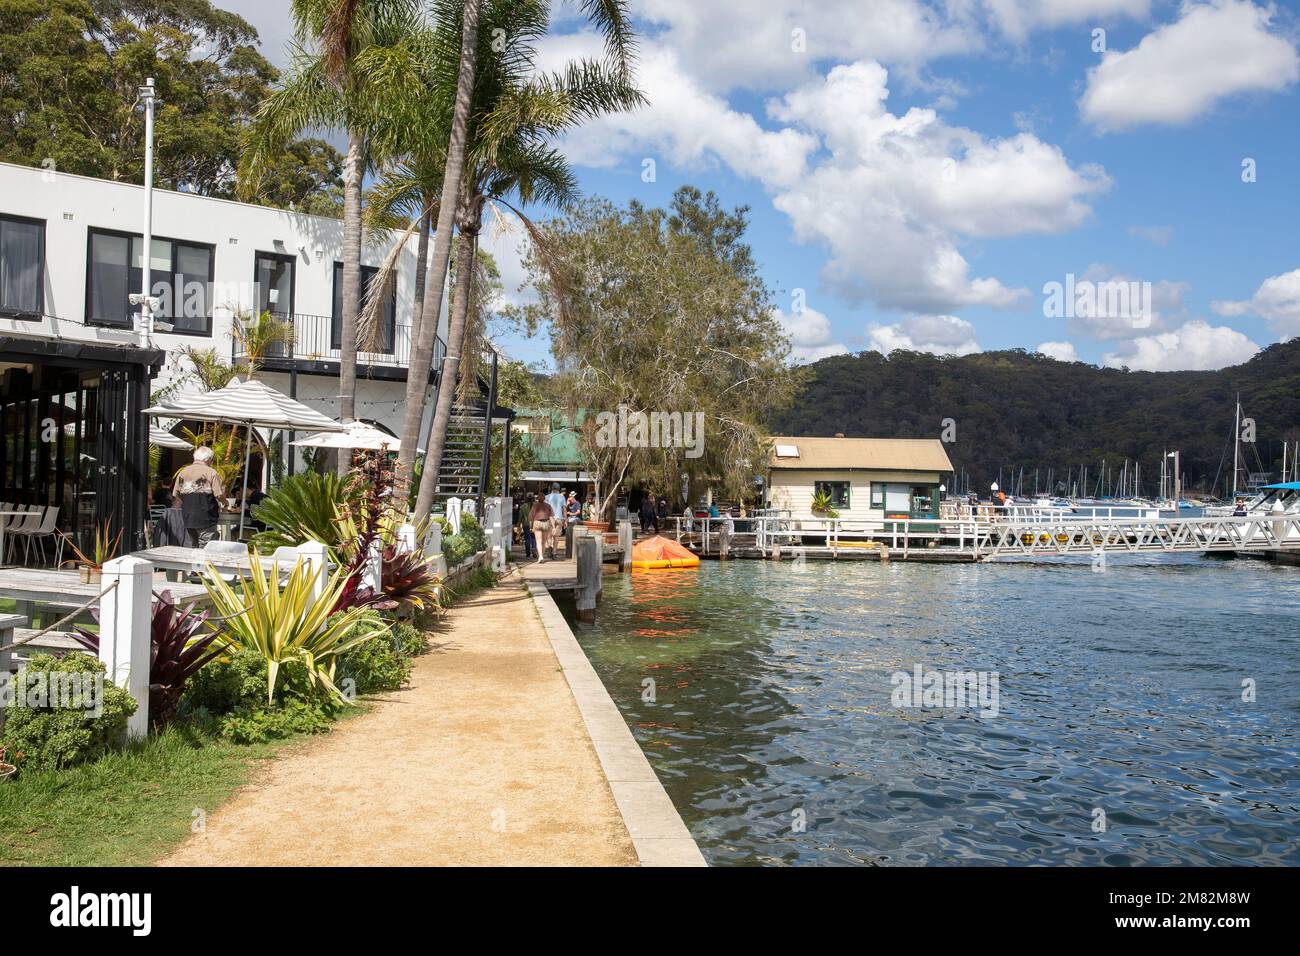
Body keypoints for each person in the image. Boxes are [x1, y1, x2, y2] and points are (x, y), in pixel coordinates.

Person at [172, 446, 225, 547]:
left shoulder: (183, 472)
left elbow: (176, 495)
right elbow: (219, 495)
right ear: (208, 459)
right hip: (206, 517)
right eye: (211, 460)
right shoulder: (211, 472)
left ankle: (194, 563)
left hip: (187, 517)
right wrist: (226, 503)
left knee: (192, 547)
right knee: (206, 548)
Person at [528, 495, 554, 563]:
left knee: (538, 541)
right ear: (544, 499)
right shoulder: (548, 506)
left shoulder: (534, 506)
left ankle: (540, 557)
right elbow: (551, 516)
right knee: (544, 542)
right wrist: (553, 526)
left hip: (537, 523)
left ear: (537, 499)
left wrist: (530, 527)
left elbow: (531, 517)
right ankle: (541, 556)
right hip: (546, 523)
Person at [545, 484, 567, 558]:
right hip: (559, 519)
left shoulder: (547, 497)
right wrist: (565, 520)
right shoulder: (562, 497)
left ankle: (549, 549)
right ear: (559, 489)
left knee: (549, 535)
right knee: (556, 537)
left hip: (550, 518)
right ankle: (554, 553)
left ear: (552, 488)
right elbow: (564, 510)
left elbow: (545, 509)